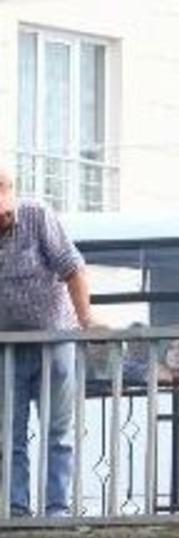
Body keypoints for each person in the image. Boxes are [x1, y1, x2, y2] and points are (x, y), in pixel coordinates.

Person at [0, 167, 95, 517]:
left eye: (6, 212)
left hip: (54, 340)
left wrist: (86, 321)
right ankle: (16, 508)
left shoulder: (38, 216)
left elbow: (73, 269)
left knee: (57, 430)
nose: (4, 219)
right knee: (9, 433)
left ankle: (57, 509)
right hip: (7, 347)